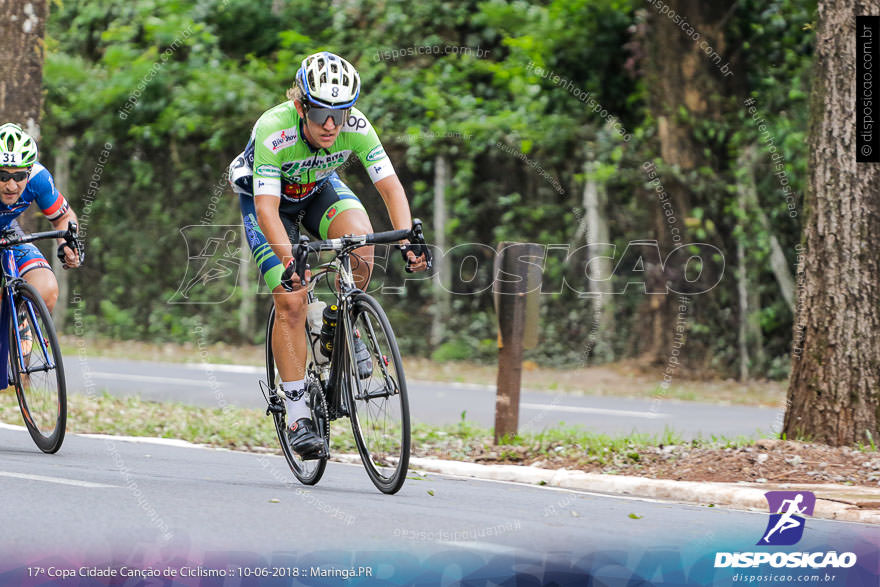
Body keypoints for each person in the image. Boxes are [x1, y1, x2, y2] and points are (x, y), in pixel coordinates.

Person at [229, 51, 427, 457]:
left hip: (317, 190)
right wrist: (289, 263)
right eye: (321, 113)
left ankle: (338, 323)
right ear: (301, 105)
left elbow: (390, 188)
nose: (333, 124)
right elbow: (267, 209)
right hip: (269, 203)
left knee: (363, 243)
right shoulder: (274, 129)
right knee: (292, 299)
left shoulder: (355, 126)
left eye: (342, 112)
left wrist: (408, 240)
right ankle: (298, 410)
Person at [0, 123, 82, 321]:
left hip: (6, 231)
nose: (11, 185)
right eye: (2, 176)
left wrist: (66, 244)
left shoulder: (39, 178)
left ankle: (20, 327)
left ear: (29, 171)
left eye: (19, 176)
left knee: (46, 290)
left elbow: (64, 217)